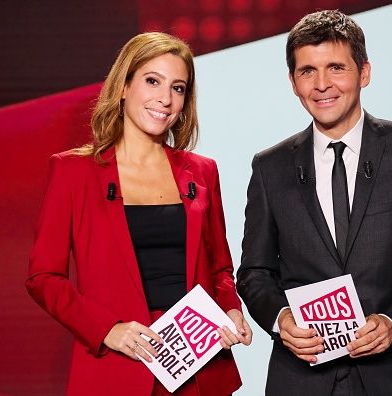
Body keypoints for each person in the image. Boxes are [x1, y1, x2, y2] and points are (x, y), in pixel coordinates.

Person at [237, 10, 392, 396]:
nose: (322, 85)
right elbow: (254, 273)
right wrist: (280, 318)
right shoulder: (269, 168)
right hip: (302, 381)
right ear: (292, 82)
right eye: (307, 71)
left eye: (336, 67)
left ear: (364, 72)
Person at [26, 32, 252, 396]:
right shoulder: (73, 172)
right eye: (152, 81)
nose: (165, 98)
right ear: (123, 87)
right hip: (119, 366)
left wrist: (230, 310)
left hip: (198, 365)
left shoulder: (203, 171)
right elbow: (43, 277)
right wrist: (108, 329)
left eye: (178, 88)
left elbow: (219, 268)